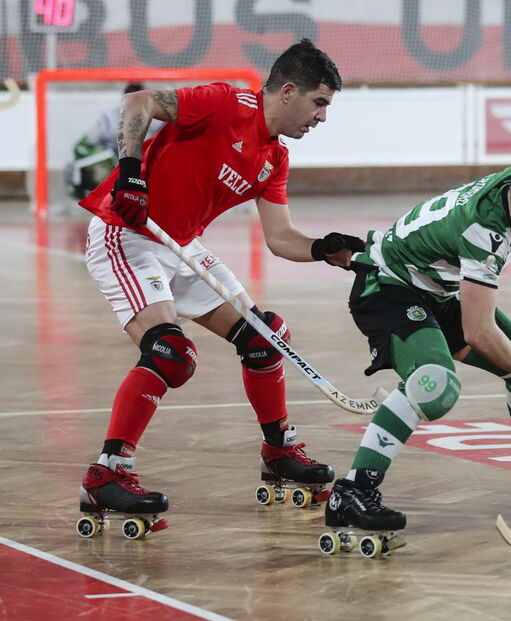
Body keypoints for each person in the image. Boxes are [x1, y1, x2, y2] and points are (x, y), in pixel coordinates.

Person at [76, 39, 364, 534]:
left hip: (181, 245)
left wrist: (323, 248)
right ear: (288, 92)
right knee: (170, 354)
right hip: (127, 233)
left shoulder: (275, 157)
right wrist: (130, 175)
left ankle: (278, 450)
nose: (321, 117)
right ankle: (107, 474)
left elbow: (281, 238)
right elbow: (137, 103)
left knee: (266, 337)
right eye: (319, 103)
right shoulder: (225, 103)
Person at [323, 143, 511, 536]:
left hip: (438, 289)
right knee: (435, 385)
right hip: (389, 287)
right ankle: (352, 491)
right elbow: (479, 333)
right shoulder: (483, 230)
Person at [65, 84, 164, 199]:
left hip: (145, 173)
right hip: (114, 174)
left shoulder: (158, 121)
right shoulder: (109, 120)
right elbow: (83, 146)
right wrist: (106, 158)